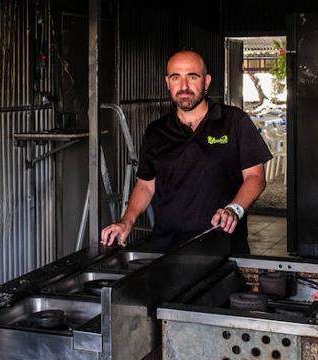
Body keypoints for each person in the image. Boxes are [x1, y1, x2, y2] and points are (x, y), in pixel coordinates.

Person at [100, 50, 271, 255]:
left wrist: (234, 209)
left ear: (206, 82)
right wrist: (126, 222)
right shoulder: (156, 131)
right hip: (167, 249)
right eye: (175, 77)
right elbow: (146, 185)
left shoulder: (234, 121)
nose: (184, 87)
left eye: (192, 76)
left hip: (224, 248)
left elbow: (255, 177)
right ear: (167, 82)